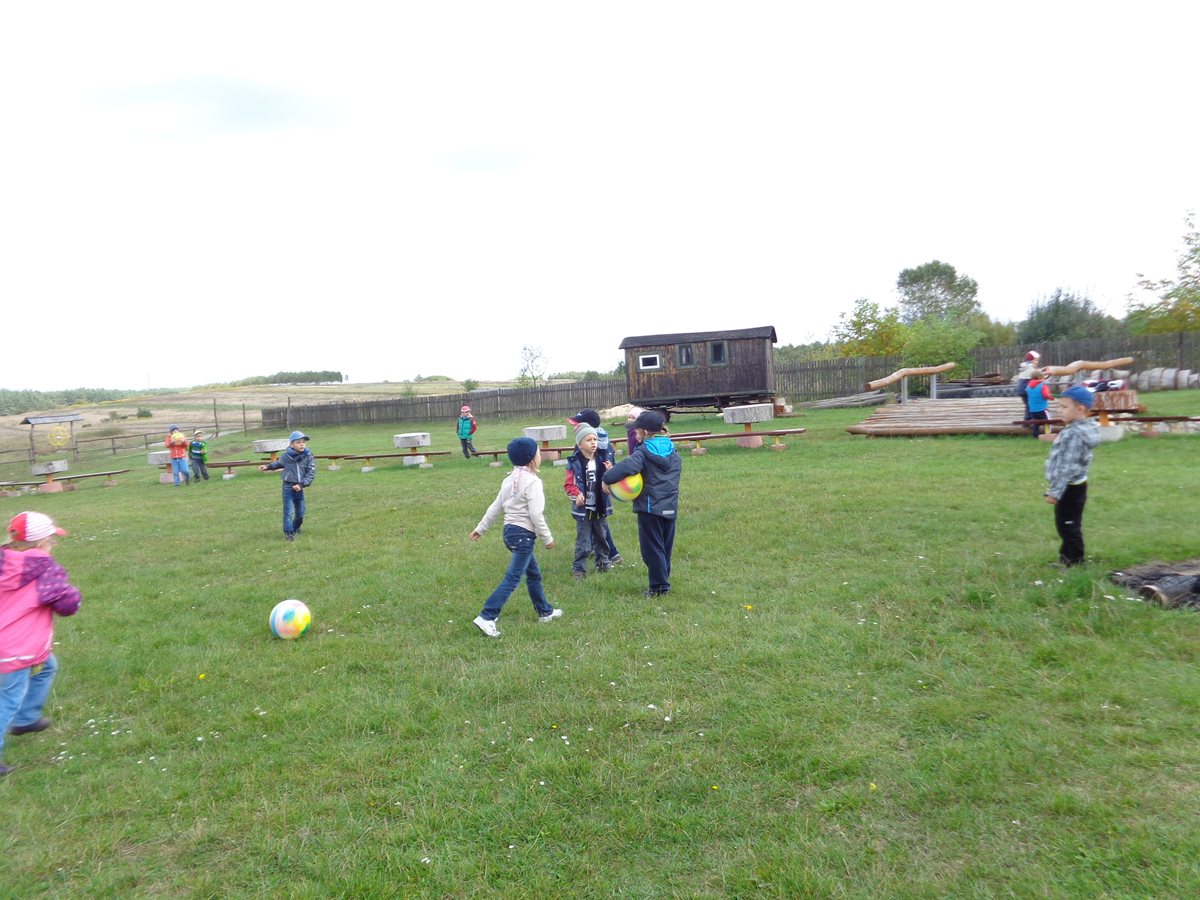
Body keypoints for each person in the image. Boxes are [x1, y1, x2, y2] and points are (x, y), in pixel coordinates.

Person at [1, 512, 82, 777]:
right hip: (14, 649)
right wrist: (74, 597)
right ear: (40, 543)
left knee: (48, 666)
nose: (53, 544)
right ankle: (20, 716)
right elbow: (66, 604)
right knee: (7, 700)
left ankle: (25, 718)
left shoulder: (4, 561)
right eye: (51, 539)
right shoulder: (44, 570)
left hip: (15, 647)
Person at [470, 437, 560, 637]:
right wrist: (547, 538)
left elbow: (495, 506)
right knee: (513, 578)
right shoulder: (533, 482)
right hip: (523, 537)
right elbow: (536, 514)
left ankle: (545, 612)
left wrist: (480, 529)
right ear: (532, 458)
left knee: (534, 574)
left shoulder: (509, 479)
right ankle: (487, 616)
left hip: (509, 533)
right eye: (538, 452)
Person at [602, 409, 682, 597]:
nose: (634, 433)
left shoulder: (643, 452)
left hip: (650, 508)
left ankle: (659, 587)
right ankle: (662, 581)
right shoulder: (672, 450)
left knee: (651, 550)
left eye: (636, 430)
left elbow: (627, 467)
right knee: (664, 548)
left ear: (644, 432)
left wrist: (606, 478)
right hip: (670, 506)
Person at [1044, 386, 1100, 567]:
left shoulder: (1073, 434)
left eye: (1064, 407)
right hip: (1077, 485)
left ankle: (1075, 561)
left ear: (1080, 409)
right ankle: (1066, 558)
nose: (1060, 410)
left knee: (1068, 525)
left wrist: (1055, 492)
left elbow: (1065, 467)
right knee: (1067, 524)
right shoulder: (1085, 428)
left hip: (1069, 487)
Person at [567, 409, 623, 565]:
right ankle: (601, 552)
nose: (574, 427)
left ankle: (611, 554)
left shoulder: (588, 444)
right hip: (590, 495)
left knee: (598, 525)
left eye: (577, 424)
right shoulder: (602, 440)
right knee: (597, 524)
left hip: (594, 495)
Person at [564, 424, 613, 579]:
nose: (593, 442)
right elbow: (569, 485)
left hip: (600, 506)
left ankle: (603, 564)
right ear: (580, 445)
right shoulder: (574, 463)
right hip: (583, 509)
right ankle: (579, 569)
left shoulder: (603, 461)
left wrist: (610, 472)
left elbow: (611, 482)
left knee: (601, 537)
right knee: (583, 541)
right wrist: (577, 495)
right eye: (589, 440)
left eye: (595, 439)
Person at [258, 431, 316, 541]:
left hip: (300, 487)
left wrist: (301, 484)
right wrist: (268, 467)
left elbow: (311, 473)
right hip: (288, 487)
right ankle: (289, 533)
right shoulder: (286, 456)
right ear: (292, 444)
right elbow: (279, 463)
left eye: (303, 442)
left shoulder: (308, 456)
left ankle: (295, 528)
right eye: (298, 442)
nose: (302, 444)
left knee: (300, 513)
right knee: (288, 512)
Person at [1025, 369, 1052, 438]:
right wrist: (1051, 397)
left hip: (1033, 409)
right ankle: (1047, 435)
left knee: (1036, 423)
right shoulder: (1042, 386)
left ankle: (1035, 436)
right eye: (1043, 377)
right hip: (1042, 408)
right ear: (1040, 377)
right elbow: (1045, 395)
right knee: (1047, 422)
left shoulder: (1028, 386)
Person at [1015, 350, 1041, 419]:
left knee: (1028, 405)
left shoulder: (1025, 367)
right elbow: (1038, 375)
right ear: (1031, 360)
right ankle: (1028, 420)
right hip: (1025, 389)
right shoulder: (1030, 368)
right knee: (1030, 405)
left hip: (1021, 389)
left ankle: (1028, 419)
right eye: (1036, 360)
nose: (1037, 362)